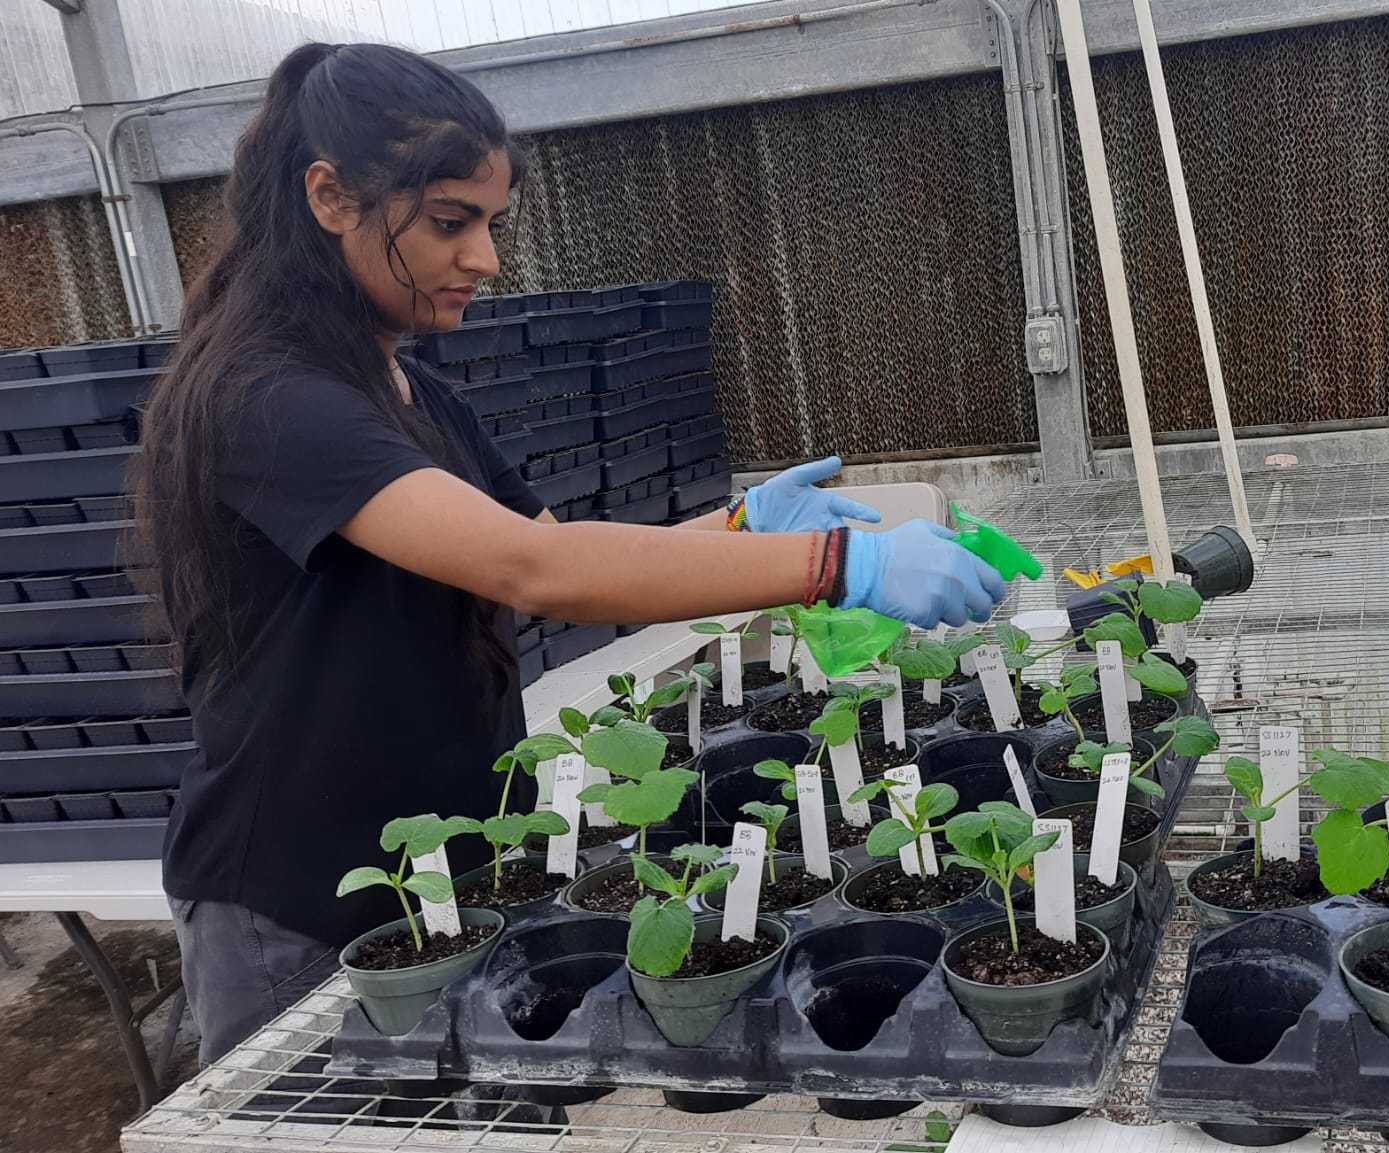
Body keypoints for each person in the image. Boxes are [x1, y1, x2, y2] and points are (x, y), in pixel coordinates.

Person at [129, 42, 1009, 1064]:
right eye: (451, 222)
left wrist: (737, 528)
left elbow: (551, 556)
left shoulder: (414, 398)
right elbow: (528, 570)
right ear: (330, 195)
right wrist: (831, 566)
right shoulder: (266, 397)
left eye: (490, 224)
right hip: (300, 904)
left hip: (452, 875)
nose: (486, 258)